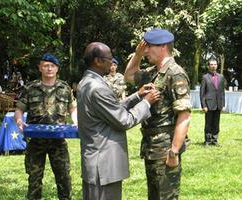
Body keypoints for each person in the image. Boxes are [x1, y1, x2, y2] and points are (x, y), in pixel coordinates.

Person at [77, 42, 160, 200]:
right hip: (103, 165)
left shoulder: (87, 82)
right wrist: (147, 102)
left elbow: (110, 110)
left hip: (97, 161)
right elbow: (124, 120)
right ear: (98, 61)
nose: (112, 61)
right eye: (109, 58)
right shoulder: (97, 88)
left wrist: (137, 96)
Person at [124, 28, 191, 200]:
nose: (145, 51)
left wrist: (174, 152)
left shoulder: (175, 73)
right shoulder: (153, 73)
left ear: (162, 47)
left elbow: (184, 116)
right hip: (152, 148)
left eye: (149, 47)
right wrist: (137, 55)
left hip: (165, 149)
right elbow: (129, 76)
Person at [14, 53, 76, 200]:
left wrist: (76, 122)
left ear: (57, 69)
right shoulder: (30, 88)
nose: (49, 68)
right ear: (40, 68)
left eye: (52, 66)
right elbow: (19, 109)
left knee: (64, 177)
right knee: (34, 179)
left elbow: (73, 109)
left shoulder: (64, 88)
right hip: (36, 142)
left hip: (58, 141)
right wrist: (19, 121)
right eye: (46, 65)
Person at [200, 58, 225, 146]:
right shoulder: (205, 77)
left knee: (216, 123)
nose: (213, 66)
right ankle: (207, 140)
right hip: (209, 104)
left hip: (218, 104)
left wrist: (223, 105)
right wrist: (204, 105)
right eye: (211, 64)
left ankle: (215, 140)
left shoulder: (221, 77)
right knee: (208, 123)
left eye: (215, 64)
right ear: (208, 66)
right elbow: (202, 93)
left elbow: (222, 92)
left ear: (217, 66)